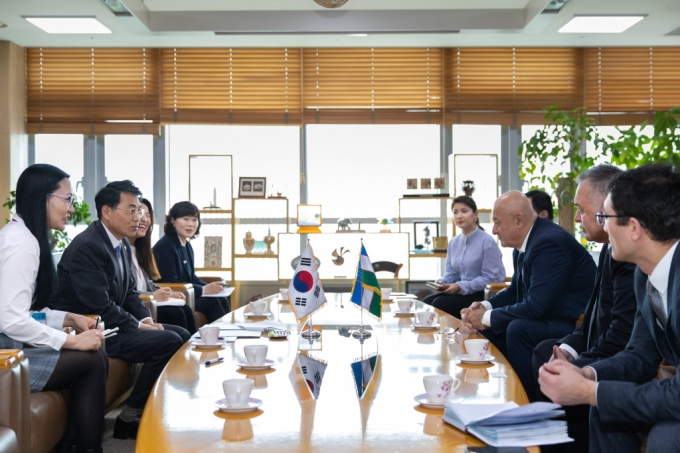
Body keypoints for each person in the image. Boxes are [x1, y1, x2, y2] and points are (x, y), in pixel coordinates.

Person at [538, 164, 680, 453]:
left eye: (606, 216)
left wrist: (591, 391)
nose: (603, 225)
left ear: (635, 228)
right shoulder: (645, 275)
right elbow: (639, 356)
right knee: (605, 410)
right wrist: (588, 374)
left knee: (666, 436)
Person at [52, 180, 189, 440]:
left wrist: (146, 318)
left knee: (181, 334)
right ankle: (130, 417)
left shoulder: (122, 243)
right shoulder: (89, 246)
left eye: (139, 210)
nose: (138, 217)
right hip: (93, 328)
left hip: (112, 324)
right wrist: (139, 326)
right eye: (131, 210)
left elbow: (127, 294)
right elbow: (98, 305)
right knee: (168, 341)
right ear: (107, 211)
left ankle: (150, 410)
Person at [0, 164, 107, 453]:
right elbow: (10, 319)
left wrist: (70, 318)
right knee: (91, 360)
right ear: (42, 197)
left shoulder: (24, 236)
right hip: (5, 361)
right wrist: (72, 340)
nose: (72, 207)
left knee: (93, 353)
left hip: (11, 350)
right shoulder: (21, 243)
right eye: (67, 199)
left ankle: (73, 446)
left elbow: (25, 311)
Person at [530, 164, 637, 451]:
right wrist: (569, 348)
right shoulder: (607, 248)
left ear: (607, 210)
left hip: (618, 357)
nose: (576, 217)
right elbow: (592, 317)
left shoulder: (629, 256)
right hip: (602, 348)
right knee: (547, 353)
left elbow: (623, 335)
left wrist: (582, 363)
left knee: (554, 366)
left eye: (581, 210)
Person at [461, 191, 596, 400]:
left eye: (497, 222)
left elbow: (536, 307)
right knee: (494, 327)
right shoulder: (524, 244)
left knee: (518, 328)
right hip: (550, 315)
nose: (494, 230)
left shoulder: (548, 242)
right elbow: (516, 292)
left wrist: (486, 319)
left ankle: (526, 399)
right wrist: (484, 307)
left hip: (575, 325)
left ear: (519, 220)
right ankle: (500, 387)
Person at [422, 196, 505, 317]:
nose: (459, 216)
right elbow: (452, 273)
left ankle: (451, 334)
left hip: (481, 294)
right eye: (455, 212)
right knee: (427, 302)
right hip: (462, 292)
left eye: (464, 211)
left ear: (475, 215)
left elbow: (491, 278)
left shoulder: (487, 241)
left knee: (439, 303)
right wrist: (442, 282)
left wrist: (460, 286)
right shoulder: (454, 242)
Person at [153, 201, 231, 324]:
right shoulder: (165, 246)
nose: (190, 224)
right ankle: (221, 335)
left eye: (194, 220)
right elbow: (170, 283)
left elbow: (191, 277)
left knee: (221, 298)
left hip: (187, 293)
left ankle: (230, 332)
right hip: (176, 296)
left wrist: (210, 287)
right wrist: (204, 290)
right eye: (185, 219)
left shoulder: (186, 245)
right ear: (173, 221)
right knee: (213, 302)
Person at [128, 198, 197, 334]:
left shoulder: (139, 249)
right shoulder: (122, 249)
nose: (144, 219)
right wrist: (153, 295)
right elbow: (128, 293)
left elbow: (147, 282)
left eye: (148, 215)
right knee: (177, 314)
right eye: (139, 213)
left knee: (185, 309)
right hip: (140, 307)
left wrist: (167, 293)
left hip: (148, 301)